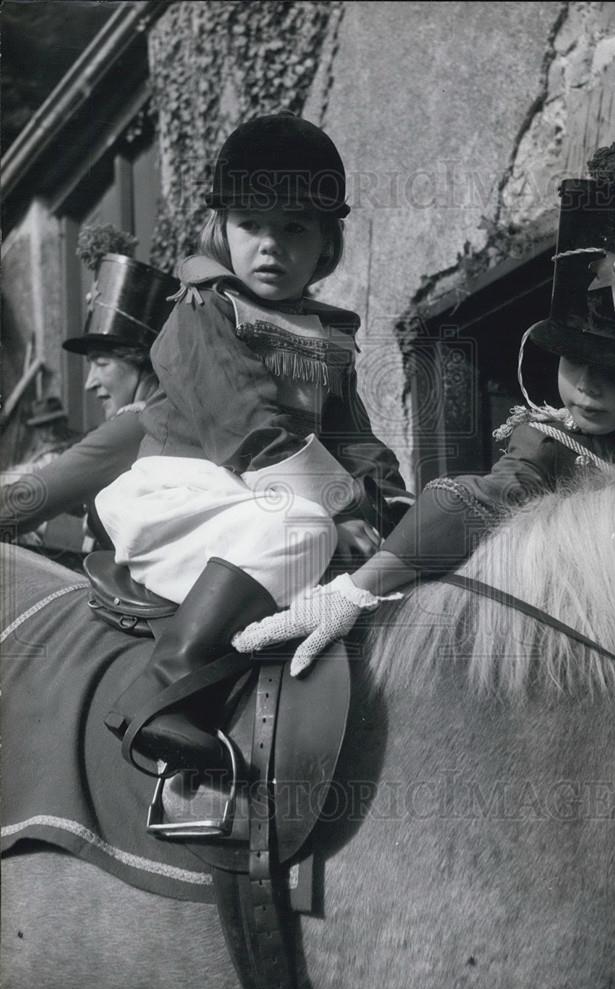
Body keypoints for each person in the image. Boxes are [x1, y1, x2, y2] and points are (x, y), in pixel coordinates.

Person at [233, 138, 615, 678]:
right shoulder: (548, 444)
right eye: (573, 360)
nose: (587, 388)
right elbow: (467, 503)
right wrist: (353, 591)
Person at [94, 113, 410, 775]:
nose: (270, 246)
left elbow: (352, 438)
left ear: (326, 242)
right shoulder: (203, 312)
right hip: (189, 493)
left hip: (261, 500)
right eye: (252, 225)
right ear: (223, 231)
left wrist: (389, 505)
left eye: (294, 227)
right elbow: (252, 436)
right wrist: (343, 513)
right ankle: (165, 686)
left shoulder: (321, 334)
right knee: (302, 525)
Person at [0, 255, 178, 545]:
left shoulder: (138, 423)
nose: (89, 382)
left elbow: (25, 501)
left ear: (142, 363)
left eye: (102, 364)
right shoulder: (168, 414)